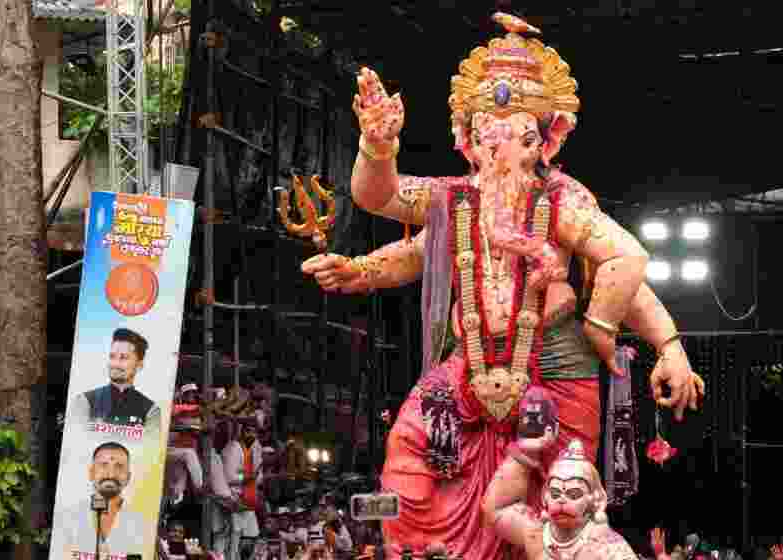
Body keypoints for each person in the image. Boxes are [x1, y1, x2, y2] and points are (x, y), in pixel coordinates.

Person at [301, 12, 704, 559]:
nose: (505, 150)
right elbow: (385, 206)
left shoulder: (564, 201)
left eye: (521, 136)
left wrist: (663, 343)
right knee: (408, 463)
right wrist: (376, 153)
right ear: (467, 139)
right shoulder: (454, 198)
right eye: (490, 135)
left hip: (556, 376)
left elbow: (624, 266)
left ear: (548, 139)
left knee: (558, 502)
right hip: (466, 373)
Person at [481, 389, 639, 559]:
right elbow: (496, 509)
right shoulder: (538, 534)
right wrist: (527, 451)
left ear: (595, 499)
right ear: (545, 498)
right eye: (555, 493)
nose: (562, 500)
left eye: (574, 493)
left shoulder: (609, 548)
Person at [53, 441, 147, 559]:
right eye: (104, 465)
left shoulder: (140, 524)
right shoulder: (68, 518)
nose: (111, 474)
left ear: (128, 477)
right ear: (91, 473)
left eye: (119, 467)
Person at [68, 327, 161, 429]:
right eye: (112, 356)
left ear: (139, 365)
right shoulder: (84, 401)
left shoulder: (151, 411)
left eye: (123, 357)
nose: (115, 364)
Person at [220, 420, 263, 560]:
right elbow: (229, 476)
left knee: (253, 537)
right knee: (234, 539)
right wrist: (246, 477)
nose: (251, 434)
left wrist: (254, 478)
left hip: (249, 501)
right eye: (248, 431)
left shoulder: (255, 448)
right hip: (234, 499)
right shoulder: (234, 447)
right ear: (242, 432)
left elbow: (259, 476)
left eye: (254, 432)